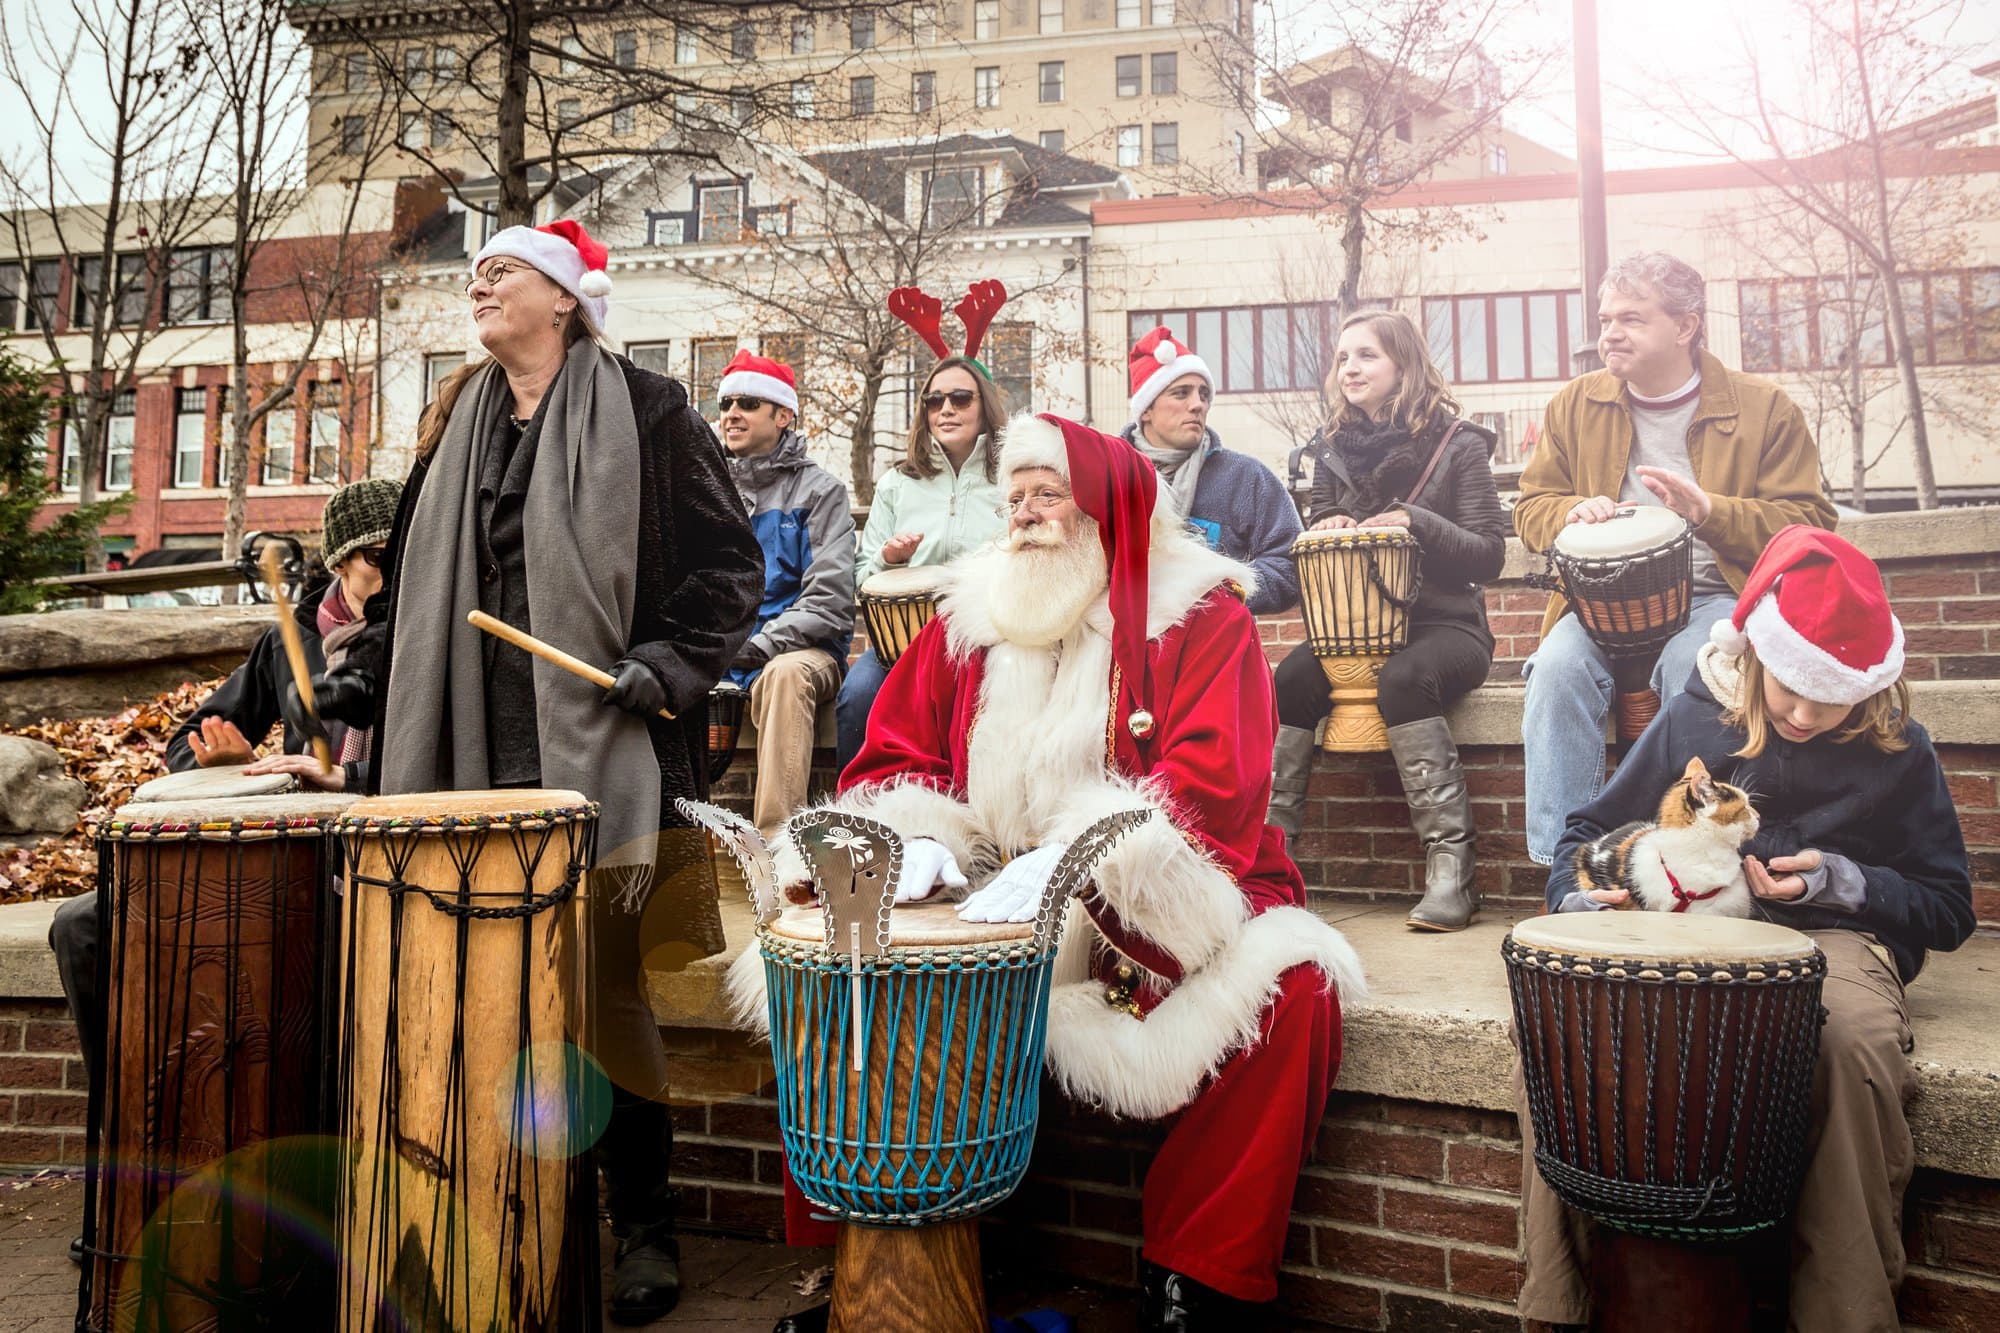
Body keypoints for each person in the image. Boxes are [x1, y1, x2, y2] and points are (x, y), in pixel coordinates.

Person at [754, 414, 1364, 1332]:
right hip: (984, 907)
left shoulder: (1202, 615)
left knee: (1296, 995)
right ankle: (869, 1271)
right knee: (835, 954)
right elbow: (886, 765)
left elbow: (1215, 796)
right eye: (1016, 501)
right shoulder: (971, 620)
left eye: (1049, 497)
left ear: (1108, 507)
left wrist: (1079, 870)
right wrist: (918, 840)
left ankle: (1194, 1285)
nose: (1027, 519)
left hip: (1142, 919)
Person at [364, 219, 764, 1325]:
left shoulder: (648, 409)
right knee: (475, 976)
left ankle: (642, 1221)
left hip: (604, 739)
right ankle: (496, 1209)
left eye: (503, 271)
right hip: (469, 740)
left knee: (607, 986)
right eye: (477, 272)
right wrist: (355, 691)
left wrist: (667, 661)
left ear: (564, 299)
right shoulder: (456, 423)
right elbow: (407, 592)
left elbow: (732, 562)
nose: (479, 284)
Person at [1521, 526, 1974, 1331]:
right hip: (1691, 929)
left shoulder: (1902, 749)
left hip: (1834, 937)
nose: (1801, 712)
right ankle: (1561, 1305)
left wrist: (1840, 878)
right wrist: (1580, 903)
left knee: (1848, 1046)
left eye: (1827, 694)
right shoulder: (1699, 714)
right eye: (1786, 688)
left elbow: (1948, 905)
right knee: (1568, 1017)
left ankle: (1845, 1314)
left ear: (1869, 685)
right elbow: (1583, 831)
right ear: (1756, 659)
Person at [46, 476, 400, 1261]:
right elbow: (189, 739)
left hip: (364, 867)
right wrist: (225, 752)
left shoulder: (418, 634)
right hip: (268, 867)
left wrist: (344, 781)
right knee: (82, 927)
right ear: (343, 562)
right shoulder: (291, 638)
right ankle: (133, 1152)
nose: (392, 568)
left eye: (398, 553)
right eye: (378, 555)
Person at [1514, 251, 1836, 868]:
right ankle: (1568, 868)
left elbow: (1811, 524)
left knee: (1696, 665)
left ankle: (1691, 860)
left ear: (1686, 325)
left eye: (1632, 318)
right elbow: (1531, 507)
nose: (1610, 331)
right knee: (1554, 671)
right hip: (1597, 605)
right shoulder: (1574, 404)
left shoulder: (1764, 408)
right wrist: (1569, 513)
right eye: (1606, 317)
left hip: (1716, 599)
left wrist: (1711, 511)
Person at [1268, 311, 1506, 931]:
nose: (1350, 368)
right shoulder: (1329, 454)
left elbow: (1490, 551)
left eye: (1367, 355)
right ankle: (1269, 862)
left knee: (1401, 678)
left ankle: (1453, 868)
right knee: (1287, 681)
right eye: (1343, 357)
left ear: (1404, 364)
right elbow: (1318, 549)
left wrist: (1415, 521)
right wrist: (1330, 526)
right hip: (1352, 634)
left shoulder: (1459, 445)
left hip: (1449, 628)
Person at [833, 353, 1008, 771]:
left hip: (989, 641)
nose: (946, 409)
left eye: (961, 398)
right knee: (856, 697)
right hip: (904, 647)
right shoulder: (897, 482)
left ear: (984, 405)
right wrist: (887, 558)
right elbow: (862, 578)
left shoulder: (1010, 477)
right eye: (934, 400)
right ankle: (853, 815)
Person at [715, 350, 857, 840]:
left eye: (748, 402)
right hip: (725, 654)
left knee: (785, 674)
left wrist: (758, 645)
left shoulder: (822, 492)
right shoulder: (708, 491)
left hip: (801, 653)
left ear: (783, 415)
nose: (731, 413)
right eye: (726, 402)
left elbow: (830, 600)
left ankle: (778, 848)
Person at [1119, 325, 1301, 615]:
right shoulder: (1109, 476)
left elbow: (1291, 561)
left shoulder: (1245, 478)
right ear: (1146, 410)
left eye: (1204, 394)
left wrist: (1226, 591)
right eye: (1181, 393)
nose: (1197, 405)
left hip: (1219, 650)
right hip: (1121, 648)